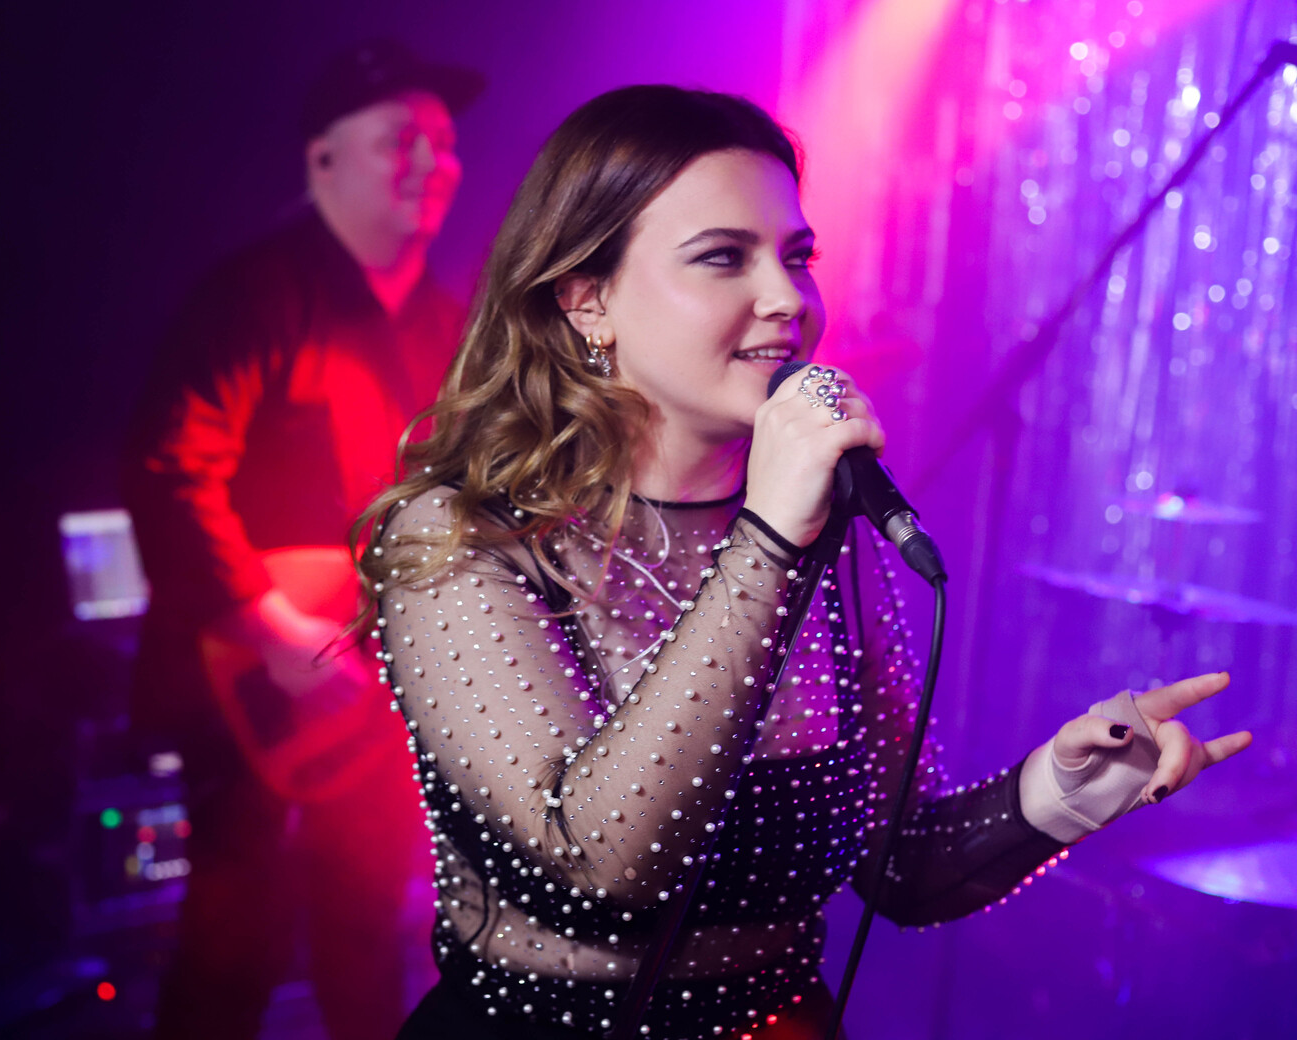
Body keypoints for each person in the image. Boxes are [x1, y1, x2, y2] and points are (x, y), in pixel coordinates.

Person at [352, 85, 1253, 1040]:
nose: (787, 299)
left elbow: (904, 866)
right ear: (587, 299)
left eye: (796, 257)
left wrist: (1066, 789)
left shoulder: (829, 541)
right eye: (722, 257)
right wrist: (770, 539)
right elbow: (603, 864)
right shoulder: (458, 538)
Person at [123, 40, 484, 1040]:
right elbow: (168, 467)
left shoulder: (449, 328)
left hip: (374, 696)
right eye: (400, 139)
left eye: (444, 142)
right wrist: (271, 626)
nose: (431, 161)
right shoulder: (256, 296)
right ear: (322, 158)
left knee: (367, 937)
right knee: (232, 941)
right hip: (248, 689)